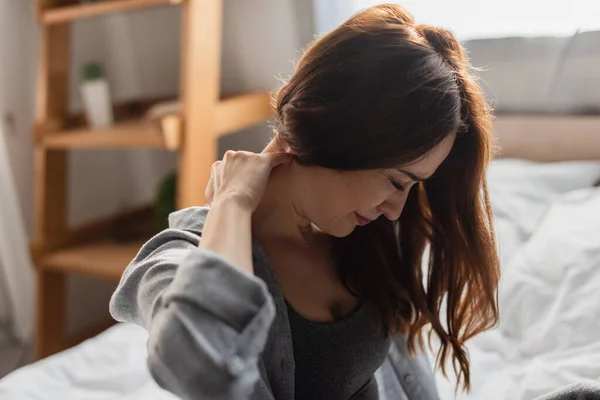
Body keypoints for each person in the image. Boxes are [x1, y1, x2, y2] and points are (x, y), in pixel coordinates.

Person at [110, 4, 600, 400]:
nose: (396, 209)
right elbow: (204, 372)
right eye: (394, 180)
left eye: (412, 187)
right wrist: (232, 205)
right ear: (339, 133)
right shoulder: (176, 256)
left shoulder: (365, 240)